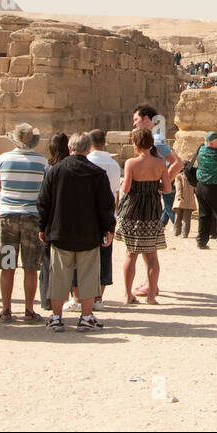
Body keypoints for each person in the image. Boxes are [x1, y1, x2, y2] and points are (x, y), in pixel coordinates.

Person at [38, 130, 116, 332]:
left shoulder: (55, 171)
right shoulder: (97, 173)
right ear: (88, 148)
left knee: (58, 277)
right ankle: (86, 316)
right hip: (89, 233)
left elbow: (43, 202)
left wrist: (42, 227)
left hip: (60, 231)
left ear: (70, 148)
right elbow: (106, 204)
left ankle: (56, 317)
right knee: (89, 276)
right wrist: (108, 228)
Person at [0, 123, 47, 323]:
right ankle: (28, 309)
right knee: (31, 266)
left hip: (8, 216)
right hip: (32, 217)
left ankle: (6, 310)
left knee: (7, 265)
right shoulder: (41, 161)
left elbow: (0, 184)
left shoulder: (3, 159)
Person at [116, 128, 171, 305]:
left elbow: (125, 189)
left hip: (132, 211)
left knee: (130, 254)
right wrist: (154, 188)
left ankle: (127, 295)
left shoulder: (131, 163)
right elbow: (168, 189)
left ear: (136, 144)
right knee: (152, 256)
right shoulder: (160, 163)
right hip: (152, 211)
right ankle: (151, 297)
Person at [86, 129, 122, 308]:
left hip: (88, 216)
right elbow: (116, 195)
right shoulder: (114, 165)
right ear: (105, 142)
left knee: (84, 258)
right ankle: (98, 298)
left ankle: (80, 297)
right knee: (104, 258)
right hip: (107, 216)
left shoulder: (86, 162)